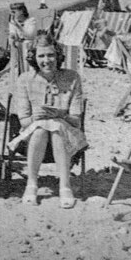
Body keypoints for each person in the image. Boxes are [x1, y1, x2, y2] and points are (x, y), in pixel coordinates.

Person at [9, 35, 88, 208]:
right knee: (41, 128)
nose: (46, 60)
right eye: (41, 56)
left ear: (58, 56)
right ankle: (32, 184)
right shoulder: (24, 79)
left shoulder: (72, 77)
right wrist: (37, 117)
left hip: (66, 133)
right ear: (34, 58)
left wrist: (61, 115)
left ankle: (64, 186)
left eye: (51, 55)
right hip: (33, 134)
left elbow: (76, 121)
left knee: (56, 126)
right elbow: (23, 121)